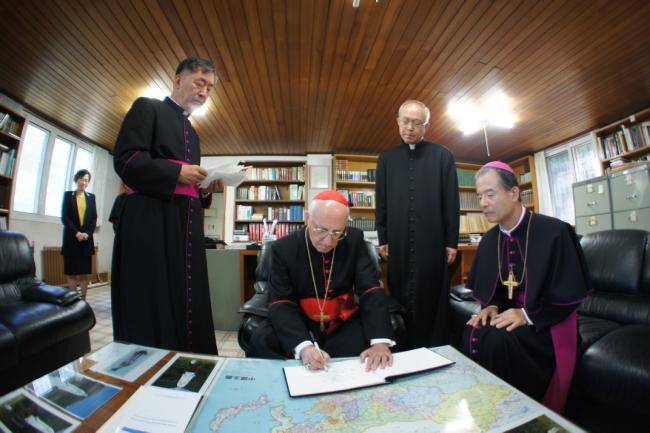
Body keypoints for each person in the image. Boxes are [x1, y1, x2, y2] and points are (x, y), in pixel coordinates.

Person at [111, 57, 222, 355]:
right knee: (153, 294)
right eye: (199, 83)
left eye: (209, 88)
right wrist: (176, 172)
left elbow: (188, 184)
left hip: (184, 225)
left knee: (186, 296)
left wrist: (204, 187)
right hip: (150, 220)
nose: (204, 92)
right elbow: (126, 160)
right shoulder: (146, 108)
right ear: (178, 79)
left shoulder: (193, 133)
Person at [461, 161, 589, 413]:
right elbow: (495, 286)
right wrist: (491, 306)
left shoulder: (555, 231)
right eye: (479, 196)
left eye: (490, 194)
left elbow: (568, 293)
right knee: (473, 330)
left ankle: (516, 413)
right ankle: (486, 409)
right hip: (511, 315)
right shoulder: (490, 239)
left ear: (513, 193)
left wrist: (527, 315)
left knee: (500, 341)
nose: (483, 202)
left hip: (548, 320)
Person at [251, 190, 394, 371]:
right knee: (262, 339)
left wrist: (380, 342)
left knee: (374, 345)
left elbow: (370, 289)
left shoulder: (354, 240)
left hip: (342, 322)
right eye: (321, 230)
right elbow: (281, 301)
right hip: (300, 321)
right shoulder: (283, 248)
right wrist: (304, 347)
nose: (328, 241)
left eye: (337, 232)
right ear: (308, 218)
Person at [375, 100, 460, 349]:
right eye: (405, 121)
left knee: (431, 292)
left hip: (433, 240)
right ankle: (404, 346)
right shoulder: (386, 159)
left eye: (416, 122)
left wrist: (451, 241)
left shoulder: (443, 156)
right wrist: (383, 238)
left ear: (426, 126)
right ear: (397, 121)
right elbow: (381, 202)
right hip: (398, 240)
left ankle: (434, 346)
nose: (410, 127)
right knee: (400, 289)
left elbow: (451, 201)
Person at [61, 169, 97, 300]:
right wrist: (76, 232)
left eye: (86, 180)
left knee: (83, 272)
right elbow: (65, 217)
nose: (84, 182)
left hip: (86, 241)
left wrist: (87, 233)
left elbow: (94, 218)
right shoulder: (68, 195)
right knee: (71, 272)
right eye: (82, 179)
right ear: (76, 180)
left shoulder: (91, 197)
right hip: (71, 239)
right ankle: (73, 298)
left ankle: (83, 299)